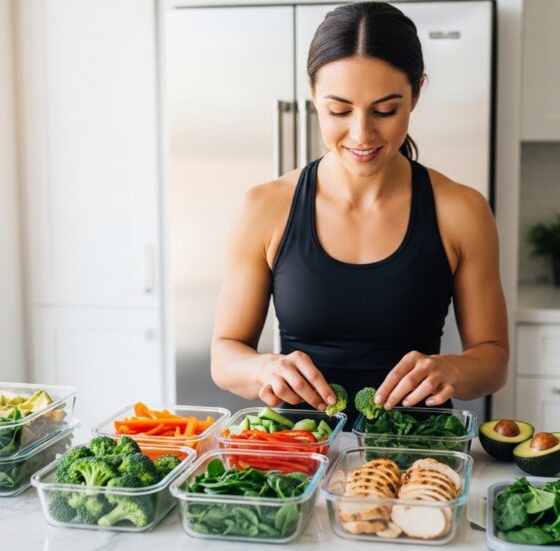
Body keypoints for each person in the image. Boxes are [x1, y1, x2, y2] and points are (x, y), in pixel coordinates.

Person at [210, 1, 508, 423]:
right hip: (301, 462)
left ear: (416, 93)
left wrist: (452, 369)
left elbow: (493, 360)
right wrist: (264, 368)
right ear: (313, 95)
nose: (361, 133)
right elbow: (224, 355)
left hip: (418, 460)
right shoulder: (264, 207)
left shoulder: (462, 210)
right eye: (339, 110)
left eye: (386, 110)